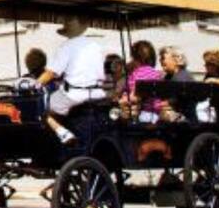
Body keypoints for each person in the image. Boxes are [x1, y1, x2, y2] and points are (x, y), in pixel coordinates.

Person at [33, 15, 105, 145]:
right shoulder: (95, 45)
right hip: (98, 93)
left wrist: (34, 85)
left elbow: (51, 73)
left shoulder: (66, 47)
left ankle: (63, 134)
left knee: (38, 109)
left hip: (75, 95)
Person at [122, 40, 164, 121]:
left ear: (135, 57)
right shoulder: (155, 73)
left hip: (143, 113)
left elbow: (135, 96)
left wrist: (122, 100)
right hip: (155, 113)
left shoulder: (139, 74)